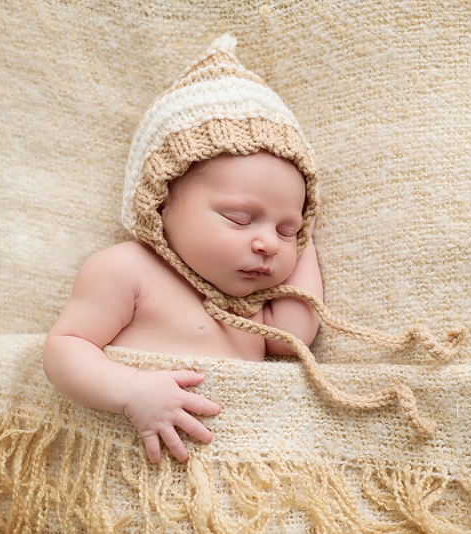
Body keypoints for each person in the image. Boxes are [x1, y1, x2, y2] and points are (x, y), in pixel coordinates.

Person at [43, 35, 324, 464]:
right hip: (144, 458)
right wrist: (130, 391)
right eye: (240, 219)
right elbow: (65, 348)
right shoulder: (127, 269)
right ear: (161, 202)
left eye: (286, 229)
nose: (267, 243)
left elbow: (293, 336)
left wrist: (305, 241)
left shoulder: (246, 301)